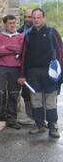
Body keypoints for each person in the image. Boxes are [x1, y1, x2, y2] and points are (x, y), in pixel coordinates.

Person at [18, 8, 63, 138]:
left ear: (43, 18)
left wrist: (60, 74)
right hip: (33, 73)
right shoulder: (28, 35)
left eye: (39, 17)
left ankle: (53, 126)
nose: (36, 20)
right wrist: (22, 75)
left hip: (50, 72)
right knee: (36, 101)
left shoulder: (51, 32)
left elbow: (60, 52)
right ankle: (39, 125)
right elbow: (24, 56)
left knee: (50, 101)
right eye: (34, 18)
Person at [0, 15, 24, 130]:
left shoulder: (21, 36)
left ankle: (12, 119)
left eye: (14, 23)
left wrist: (6, 46)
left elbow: (21, 50)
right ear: (5, 24)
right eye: (10, 23)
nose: (12, 25)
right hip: (1, 68)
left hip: (16, 69)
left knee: (14, 94)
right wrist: (14, 49)